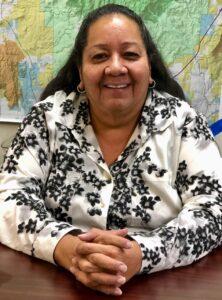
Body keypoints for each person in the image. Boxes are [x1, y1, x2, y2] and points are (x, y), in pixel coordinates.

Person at [0, 3, 222, 296]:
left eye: (130, 54)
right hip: (56, 283)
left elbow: (213, 208)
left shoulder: (183, 122)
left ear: (150, 68)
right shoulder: (46, 119)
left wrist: (140, 254)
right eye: (100, 56)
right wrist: (67, 247)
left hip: (160, 287)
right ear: (81, 71)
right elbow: (10, 199)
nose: (115, 67)